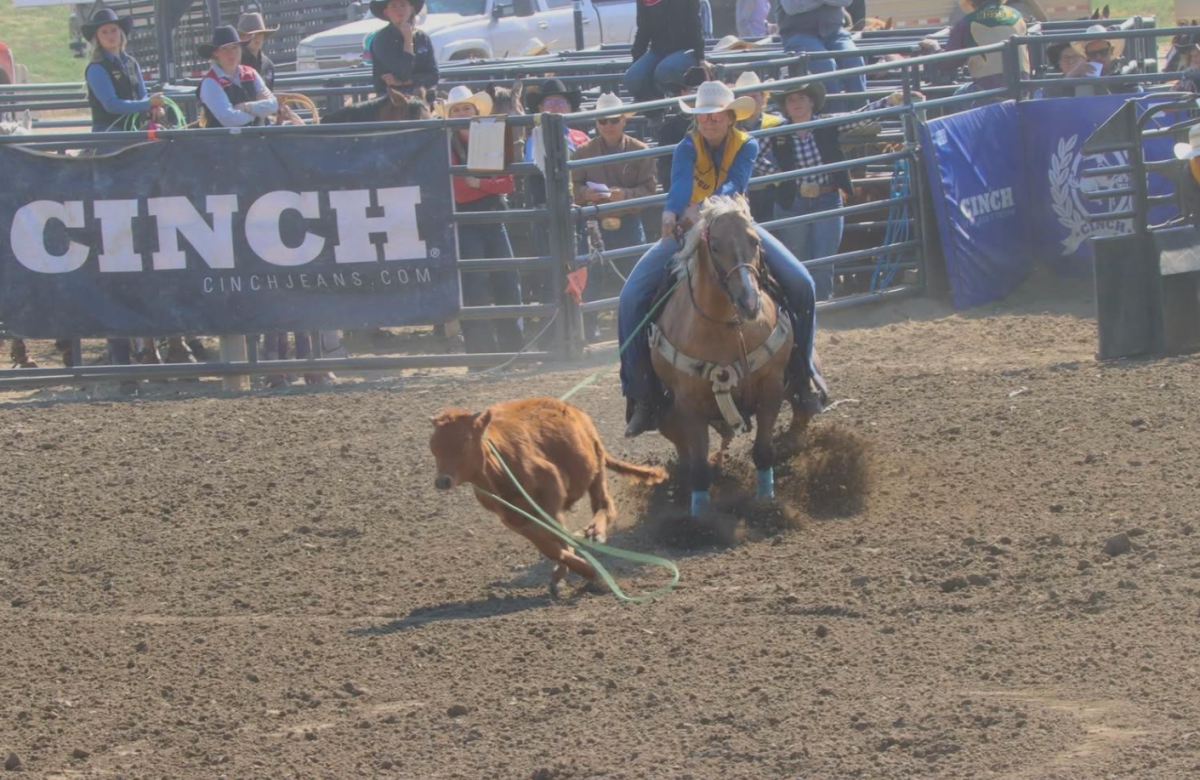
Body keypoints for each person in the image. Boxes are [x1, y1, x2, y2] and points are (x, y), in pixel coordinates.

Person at [619, 81, 826, 437]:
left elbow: (735, 185)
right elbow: (681, 183)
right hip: (690, 228)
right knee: (630, 297)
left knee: (802, 284)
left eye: (716, 116)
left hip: (735, 227)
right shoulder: (687, 147)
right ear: (697, 120)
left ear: (730, 118)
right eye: (703, 116)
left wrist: (701, 207)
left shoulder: (748, 144)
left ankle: (805, 373)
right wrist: (671, 212)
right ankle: (640, 394)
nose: (709, 121)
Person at [753, 80, 912, 302]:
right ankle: (803, 309)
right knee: (798, 261)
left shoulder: (826, 125)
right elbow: (753, 156)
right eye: (791, 100)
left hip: (826, 198)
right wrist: (778, 175)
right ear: (786, 107)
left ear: (811, 102)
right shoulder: (778, 132)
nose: (796, 103)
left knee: (823, 262)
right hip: (793, 201)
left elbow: (860, 116)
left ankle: (820, 307)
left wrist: (890, 101)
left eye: (801, 98)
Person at [83, 7, 171, 378]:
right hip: (111, 141)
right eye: (105, 32)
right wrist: (147, 104)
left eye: (114, 30)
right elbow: (111, 106)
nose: (111, 36)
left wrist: (151, 112)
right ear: (97, 38)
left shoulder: (130, 63)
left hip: (134, 138)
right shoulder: (97, 69)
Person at [570, 92, 658, 341]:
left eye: (613, 120)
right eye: (603, 120)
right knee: (593, 277)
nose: (608, 125)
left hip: (627, 220)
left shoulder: (640, 151)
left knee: (633, 276)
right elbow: (572, 189)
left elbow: (649, 190)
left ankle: (636, 326)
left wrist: (626, 195)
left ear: (623, 121)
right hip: (594, 222)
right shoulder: (582, 152)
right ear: (596, 123)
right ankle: (590, 328)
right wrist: (585, 193)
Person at [447, 86, 525, 360]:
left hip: (487, 216)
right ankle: (481, 355)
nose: (461, 113)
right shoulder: (449, 145)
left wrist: (478, 183)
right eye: (456, 110)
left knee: (507, 279)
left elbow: (507, 182)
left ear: (475, 112)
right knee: (474, 285)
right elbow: (460, 190)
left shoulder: (486, 139)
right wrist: (488, 185)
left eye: (465, 108)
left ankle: (512, 349)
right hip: (468, 219)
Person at [919, 0, 1028, 99]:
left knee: (959, 96)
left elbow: (949, 63)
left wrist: (934, 48)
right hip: (1024, 87)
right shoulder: (1018, 16)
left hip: (990, 90)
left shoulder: (967, 22)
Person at [775, 0, 866, 96]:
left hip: (835, 31)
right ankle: (834, 110)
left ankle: (862, 109)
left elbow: (846, 1)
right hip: (798, 34)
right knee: (824, 65)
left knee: (854, 59)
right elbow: (793, 6)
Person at [196, 25, 278, 128]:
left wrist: (245, 107)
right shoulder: (210, 82)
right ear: (216, 53)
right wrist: (257, 114)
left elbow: (273, 105)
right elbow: (229, 119)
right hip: (225, 142)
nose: (232, 53)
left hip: (258, 139)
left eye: (235, 47)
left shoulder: (250, 73)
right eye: (225, 49)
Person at [625, 0, 705, 102]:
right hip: (658, 51)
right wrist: (635, 60)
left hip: (686, 50)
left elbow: (694, 23)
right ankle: (657, 112)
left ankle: (685, 103)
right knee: (632, 78)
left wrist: (701, 56)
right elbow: (643, 29)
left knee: (664, 71)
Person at [732, 70, 784, 224]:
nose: (751, 101)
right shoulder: (730, 127)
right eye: (745, 98)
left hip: (773, 190)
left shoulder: (778, 123)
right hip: (739, 192)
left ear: (763, 98)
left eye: (754, 96)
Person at [657, 64, 713, 190]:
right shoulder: (669, 130)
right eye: (695, 91)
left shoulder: (720, 122)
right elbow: (667, 175)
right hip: (685, 196)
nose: (699, 96)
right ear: (683, 93)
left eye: (703, 91)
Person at [368, 0, 438, 98]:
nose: (399, 10)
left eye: (403, 5)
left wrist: (407, 81)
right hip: (392, 102)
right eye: (394, 6)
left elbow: (433, 76)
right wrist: (408, 40)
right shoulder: (382, 39)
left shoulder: (422, 37)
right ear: (386, 12)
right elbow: (403, 74)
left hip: (423, 98)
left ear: (411, 8)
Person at [1062, 25, 1142, 95]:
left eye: (1103, 52)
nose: (1098, 57)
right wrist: (1071, 76)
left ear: (1111, 51)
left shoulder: (1125, 82)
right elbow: (1055, 98)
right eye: (1093, 53)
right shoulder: (1078, 79)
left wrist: (1099, 85)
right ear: (1087, 55)